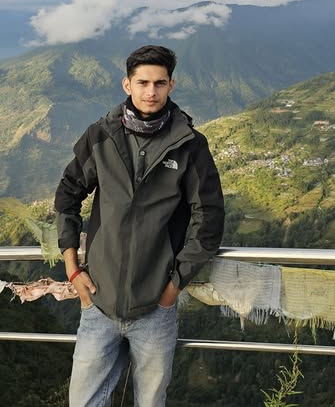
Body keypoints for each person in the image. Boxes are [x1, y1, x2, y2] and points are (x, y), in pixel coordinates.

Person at [55, 45, 225, 406]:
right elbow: (68, 193)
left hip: (155, 308)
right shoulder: (101, 136)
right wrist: (72, 268)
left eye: (159, 83)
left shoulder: (190, 145)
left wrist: (173, 287)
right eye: (143, 82)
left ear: (171, 85)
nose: (151, 92)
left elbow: (208, 219)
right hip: (98, 302)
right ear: (127, 84)